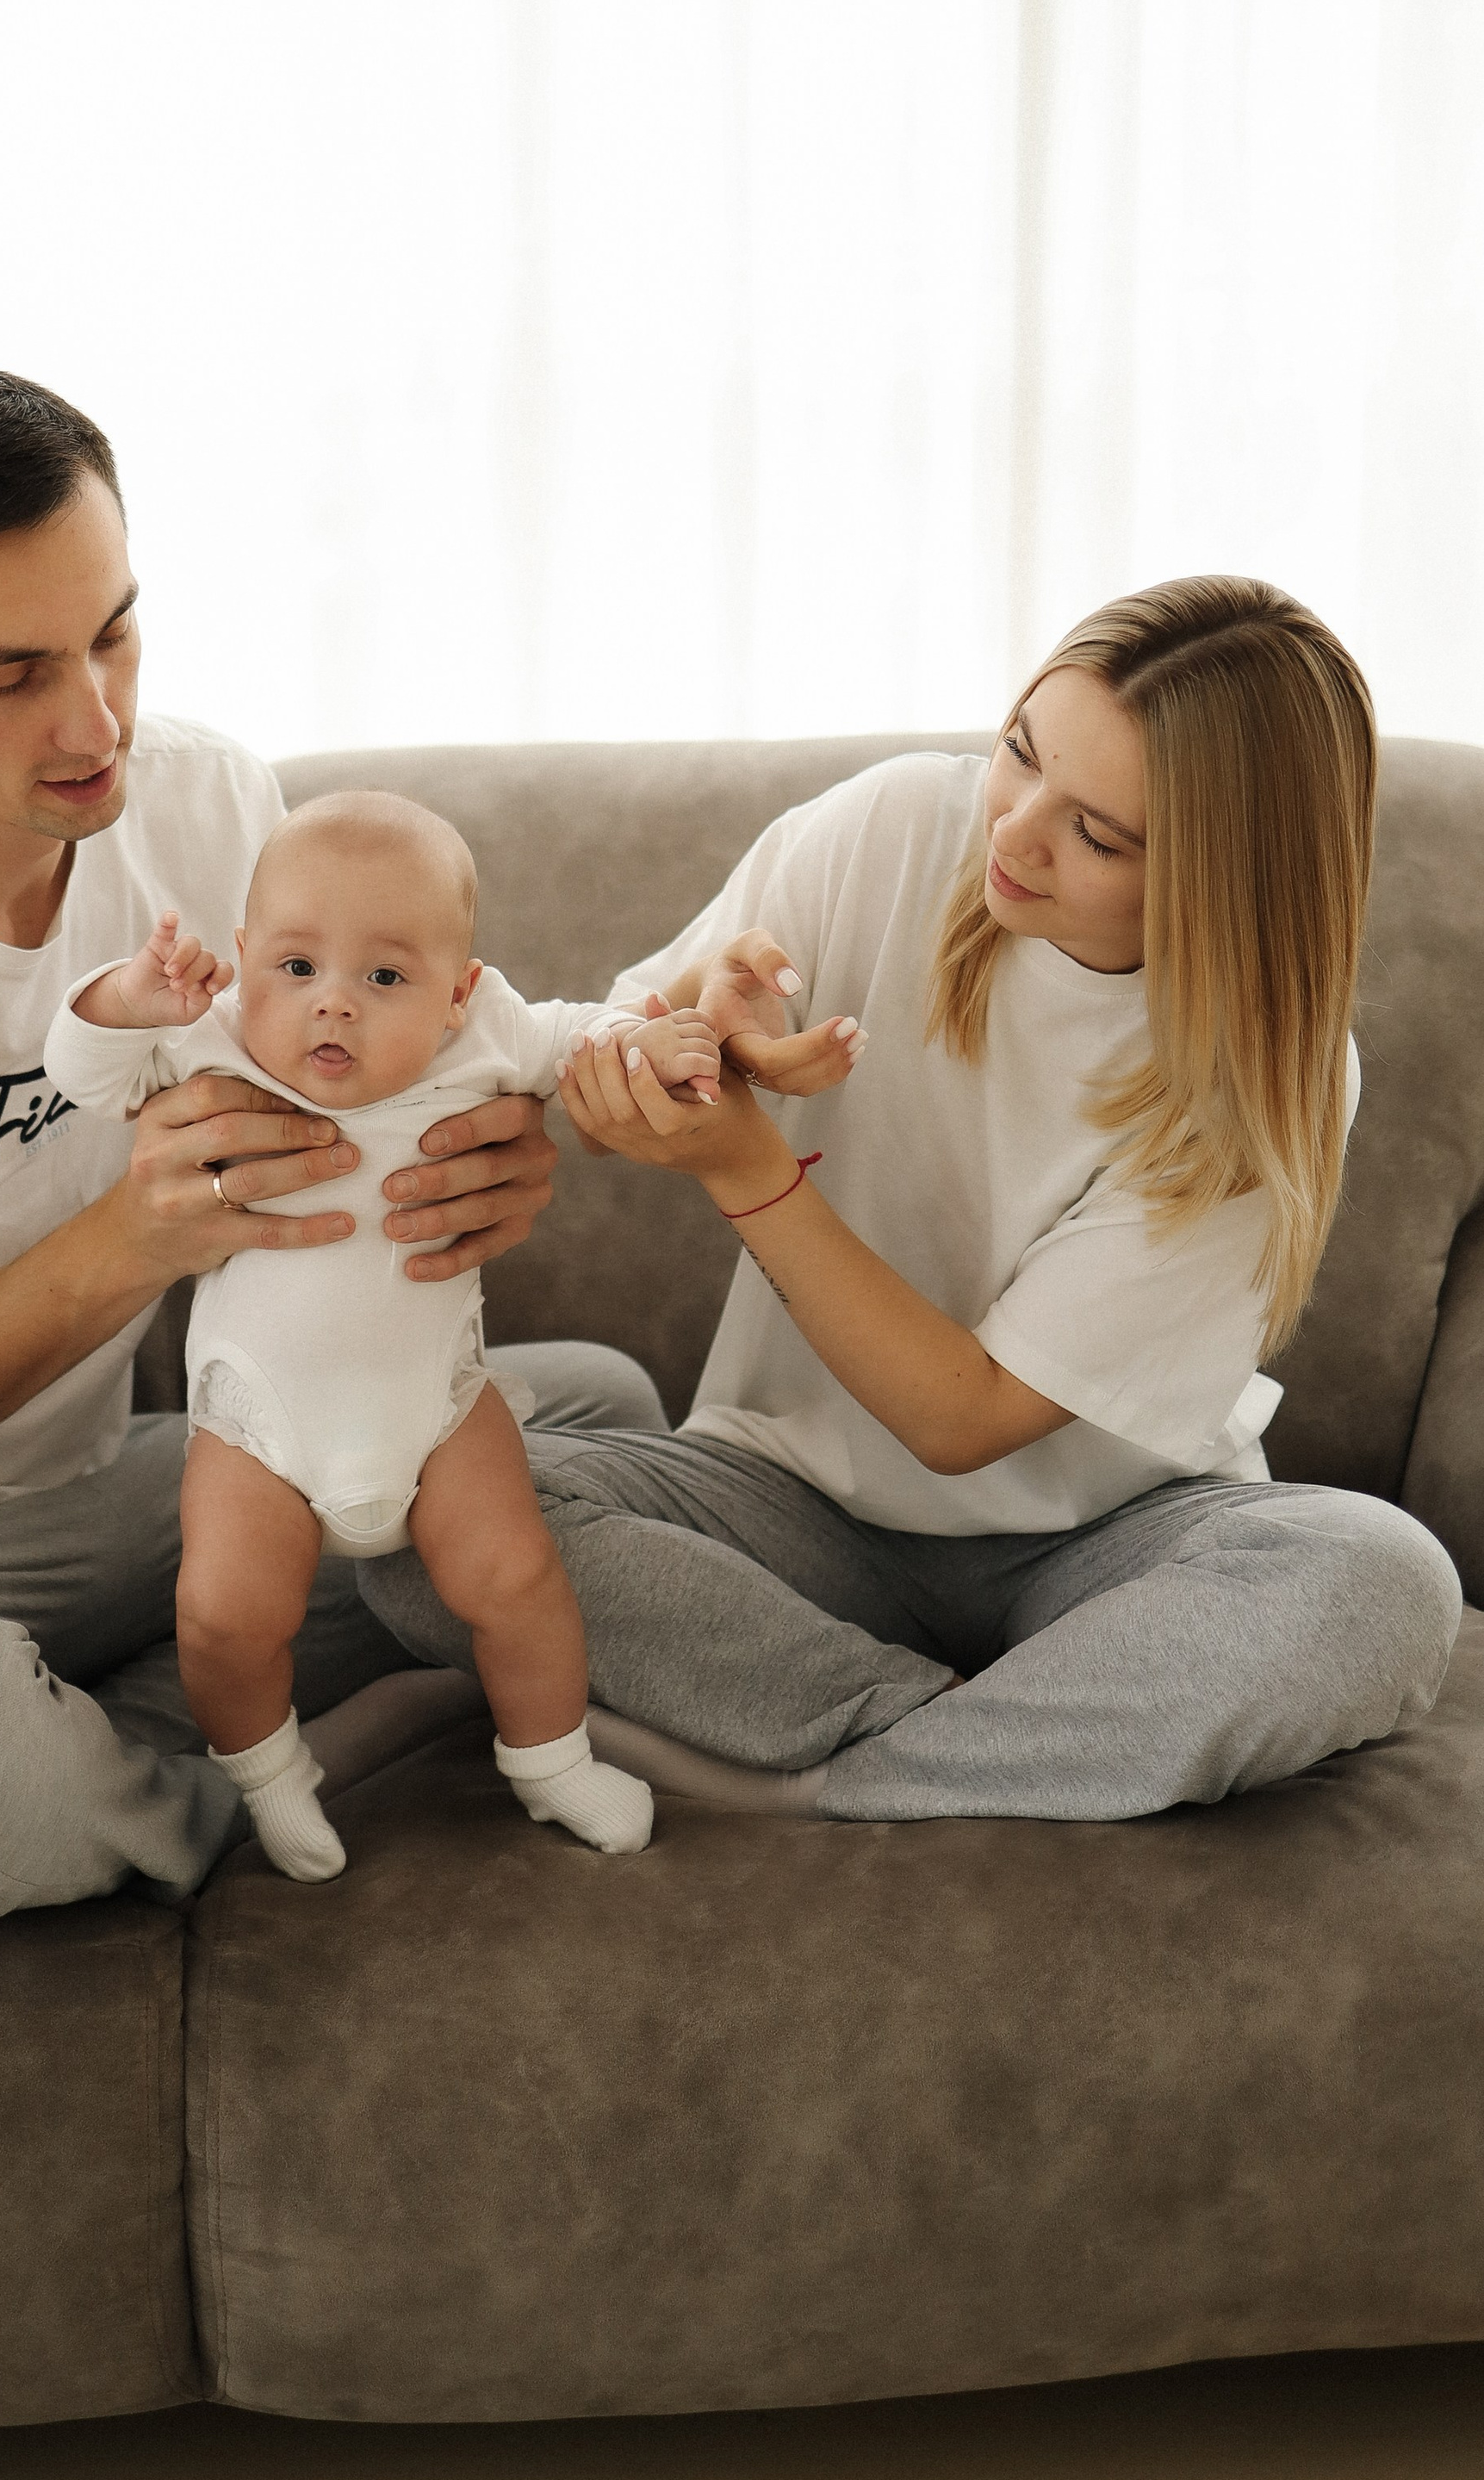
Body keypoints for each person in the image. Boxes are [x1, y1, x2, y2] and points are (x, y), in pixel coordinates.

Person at [0, 364, 662, 1919]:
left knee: (599, 1414)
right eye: (12, 674)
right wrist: (131, 1240)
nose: (96, 722)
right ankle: (219, 1772)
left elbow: (369, 1104)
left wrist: (481, 1161)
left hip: (87, 1512)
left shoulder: (212, 807)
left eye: (115, 634)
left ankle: (181, 1733)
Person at [363, 577, 1464, 1822]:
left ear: (1223, 883)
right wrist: (679, 1044)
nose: (1015, 833)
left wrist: (748, 1168)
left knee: (1382, 1582)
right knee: (406, 1504)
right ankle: (965, 1739)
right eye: (1021, 753)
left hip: (1109, 1544)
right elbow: (597, 1068)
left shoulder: (1272, 1079)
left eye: (1098, 836)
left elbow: (967, 1416)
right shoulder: (890, 827)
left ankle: (827, 1775)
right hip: (791, 1507)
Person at [48, 791, 718, 1876]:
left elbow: (580, 1033)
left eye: (385, 978)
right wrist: (126, 999)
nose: (334, 1008)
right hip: (257, 1429)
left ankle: (552, 1763)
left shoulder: (488, 1031)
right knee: (221, 1617)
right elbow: (84, 1076)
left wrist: (648, 1041)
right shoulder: (212, 1040)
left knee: (516, 1582)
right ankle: (272, 1779)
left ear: (456, 995)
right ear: (243, 956)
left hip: (438, 1410)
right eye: (298, 967)